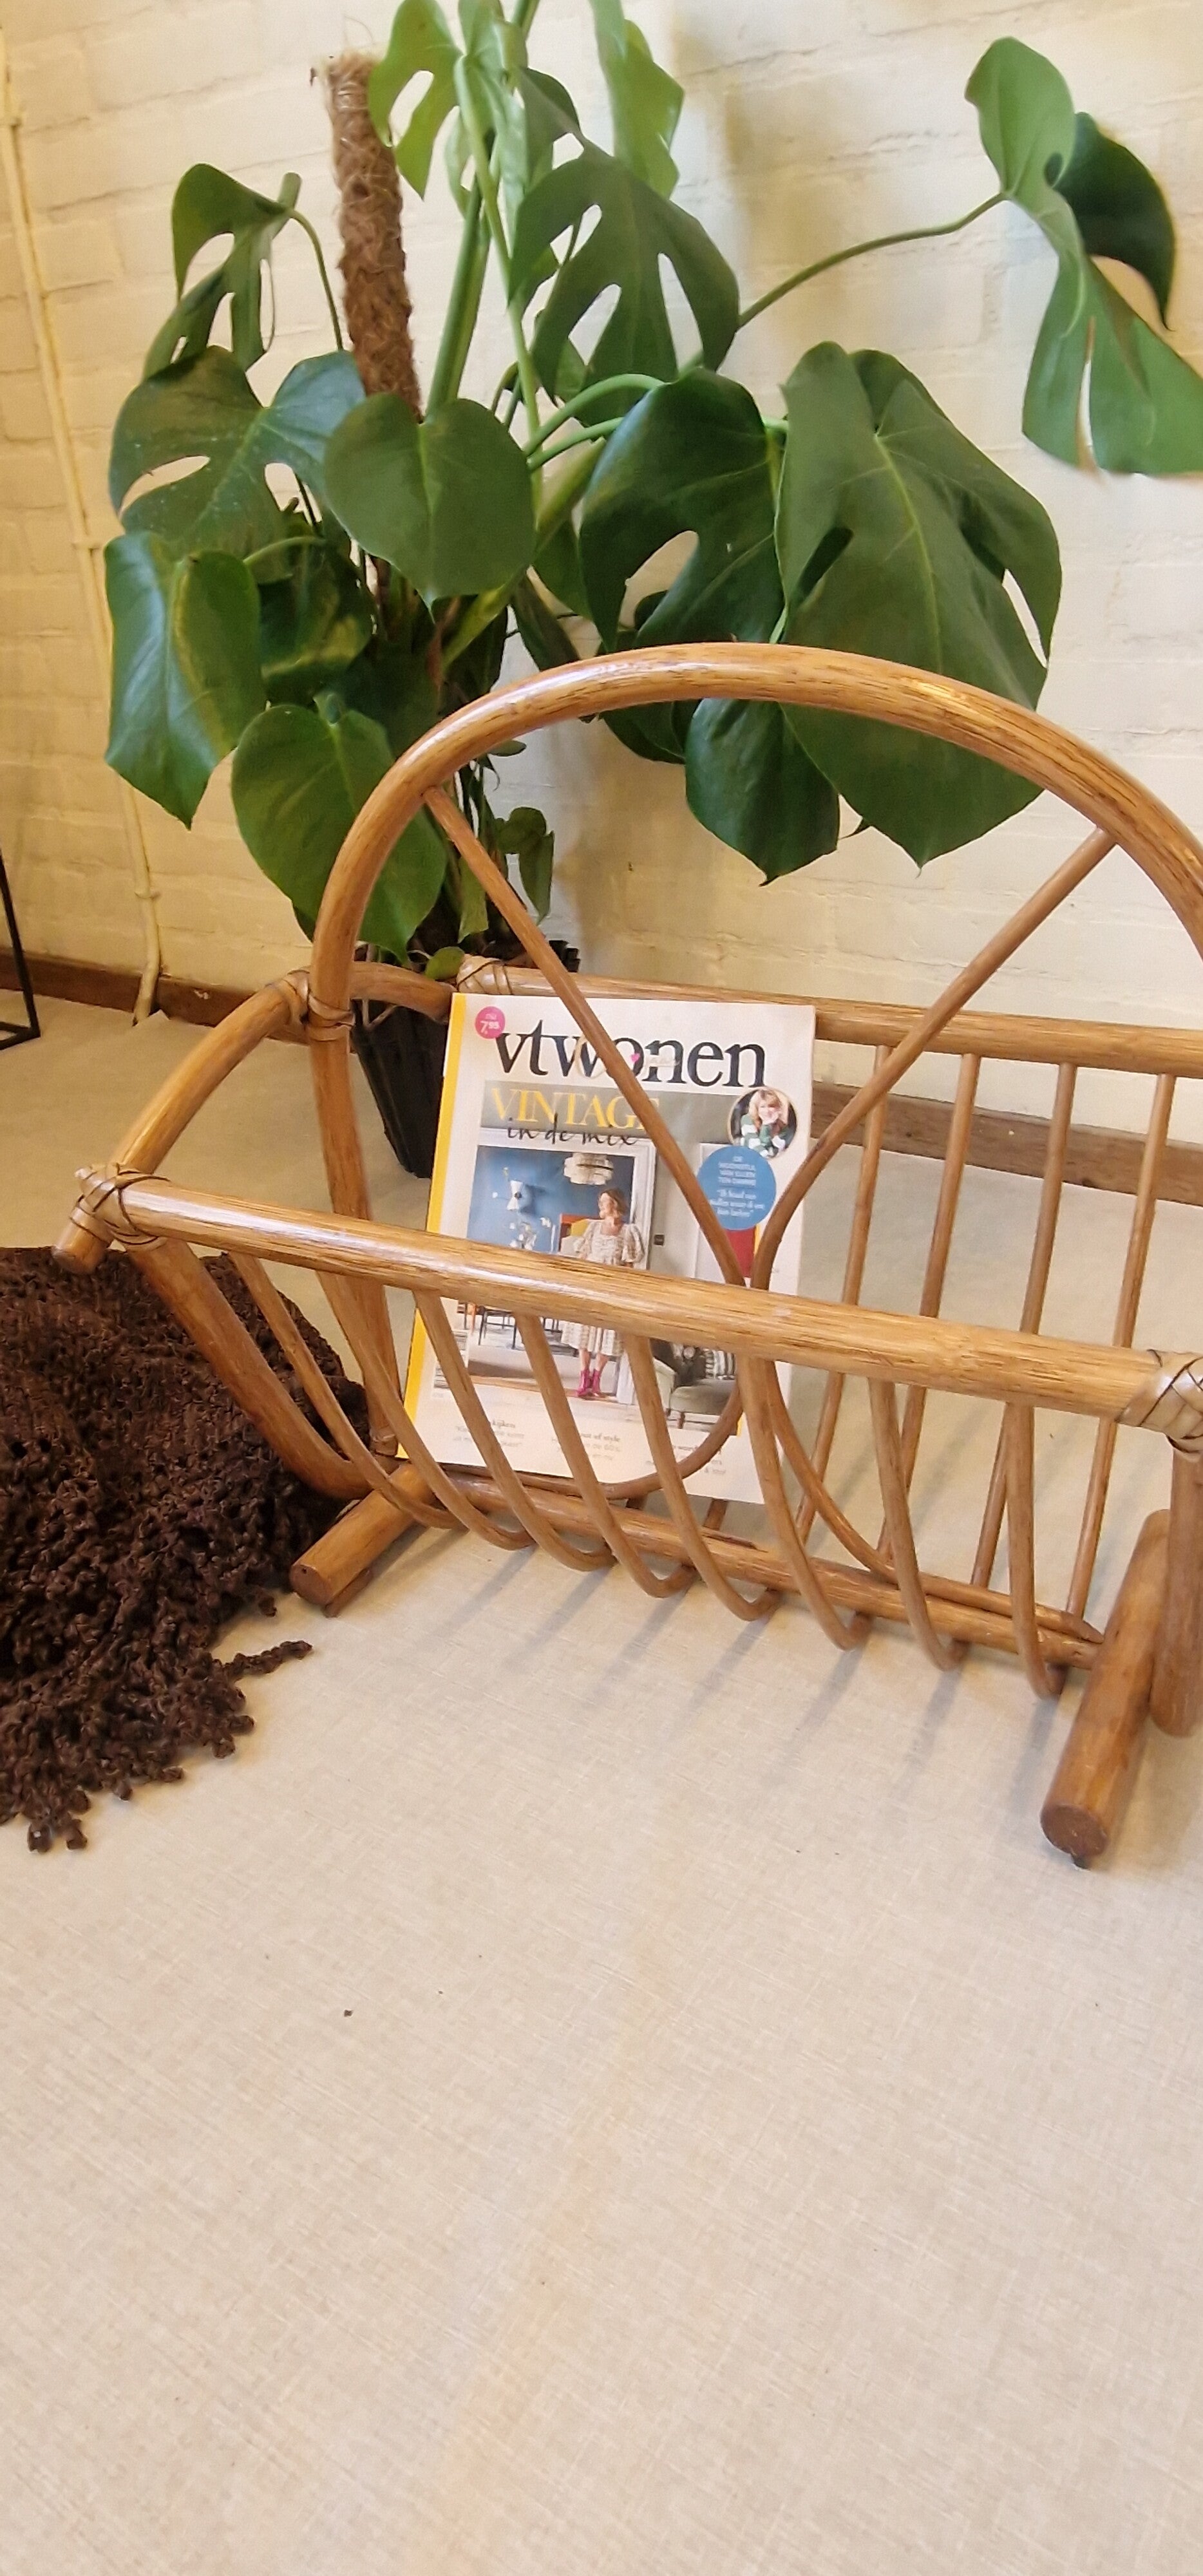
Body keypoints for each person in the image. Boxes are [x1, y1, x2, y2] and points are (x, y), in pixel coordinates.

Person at [565, 1187, 644, 1397]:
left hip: (613, 1289)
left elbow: (629, 1266)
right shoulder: (593, 1227)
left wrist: (627, 1292)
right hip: (590, 1285)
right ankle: (584, 1378)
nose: (601, 1205)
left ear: (615, 1204)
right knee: (584, 1332)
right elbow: (583, 1256)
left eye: (605, 1201)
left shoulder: (628, 1232)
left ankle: (596, 1378)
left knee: (608, 1333)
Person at [735, 1085, 795, 1157]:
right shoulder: (747, 1120)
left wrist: (771, 1127)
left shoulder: (782, 1125)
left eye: (771, 1106)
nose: (767, 1111)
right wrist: (766, 1126)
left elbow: (776, 1151)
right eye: (763, 1107)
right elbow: (757, 1149)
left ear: (777, 1108)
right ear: (757, 1109)